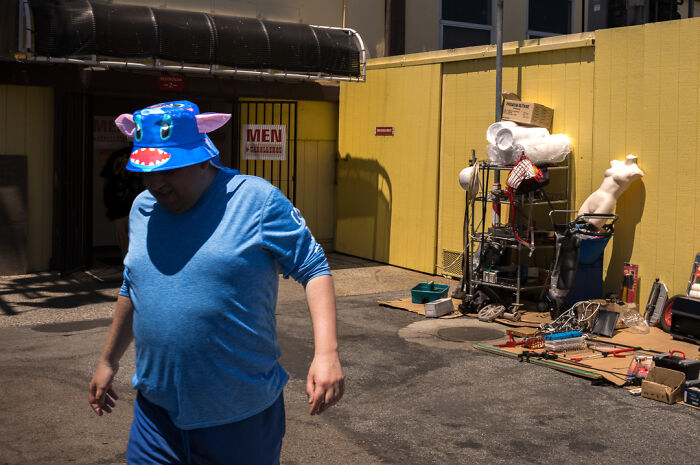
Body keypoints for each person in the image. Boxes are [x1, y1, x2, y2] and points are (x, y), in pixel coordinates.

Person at [88, 101, 344, 465]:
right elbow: (134, 285)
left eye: (169, 169)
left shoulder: (255, 200)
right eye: (147, 171)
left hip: (240, 420)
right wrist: (108, 360)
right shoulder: (143, 208)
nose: (155, 182)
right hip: (156, 418)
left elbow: (313, 266)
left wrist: (326, 354)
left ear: (202, 158)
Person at [577, 154, 644, 230]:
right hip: (596, 195)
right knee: (580, 221)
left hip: (607, 200)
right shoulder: (615, 163)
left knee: (593, 227)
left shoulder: (636, 172)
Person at [99, 146, 144, 260]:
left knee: (125, 246)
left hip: (121, 206)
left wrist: (109, 206)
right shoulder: (148, 154)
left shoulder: (116, 156)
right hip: (142, 206)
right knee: (142, 243)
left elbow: (107, 183)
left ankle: (129, 271)